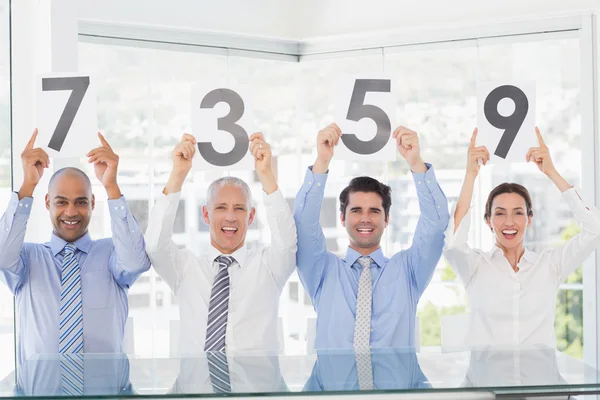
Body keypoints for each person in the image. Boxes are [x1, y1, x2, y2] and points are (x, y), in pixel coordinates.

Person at [0, 129, 151, 376]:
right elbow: (2, 256)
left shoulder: (112, 254)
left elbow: (135, 262)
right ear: (48, 203)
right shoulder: (28, 259)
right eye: (62, 202)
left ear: (92, 203)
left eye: (81, 202)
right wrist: (28, 185)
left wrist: (111, 186)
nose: (71, 212)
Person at [294, 123, 449, 350]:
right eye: (356, 211)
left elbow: (435, 224)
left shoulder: (409, 270)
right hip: (332, 385)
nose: (365, 219)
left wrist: (416, 163)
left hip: (399, 384)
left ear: (387, 219)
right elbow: (304, 225)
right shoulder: (322, 270)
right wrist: (322, 163)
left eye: (374, 211)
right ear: (342, 218)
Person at [443, 127, 600, 347]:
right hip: (488, 379)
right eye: (500, 213)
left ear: (530, 219)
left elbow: (594, 228)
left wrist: (551, 172)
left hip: (540, 378)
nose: (509, 222)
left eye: (518, 213)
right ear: (488, 220)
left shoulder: (550, 266)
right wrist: (471, 175)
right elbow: (452, 242)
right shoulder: (476, 266)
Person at [145, 133, 296, 358]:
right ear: (206, 214)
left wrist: (266, 175)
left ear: (251, 216)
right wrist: (178, 175)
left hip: (257, 389)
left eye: (239, 208)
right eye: (221, 208)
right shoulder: (186, 267)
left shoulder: (268, 266)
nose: (230, 217)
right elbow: (155, 245)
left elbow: (287, 243)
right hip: (197, 389)